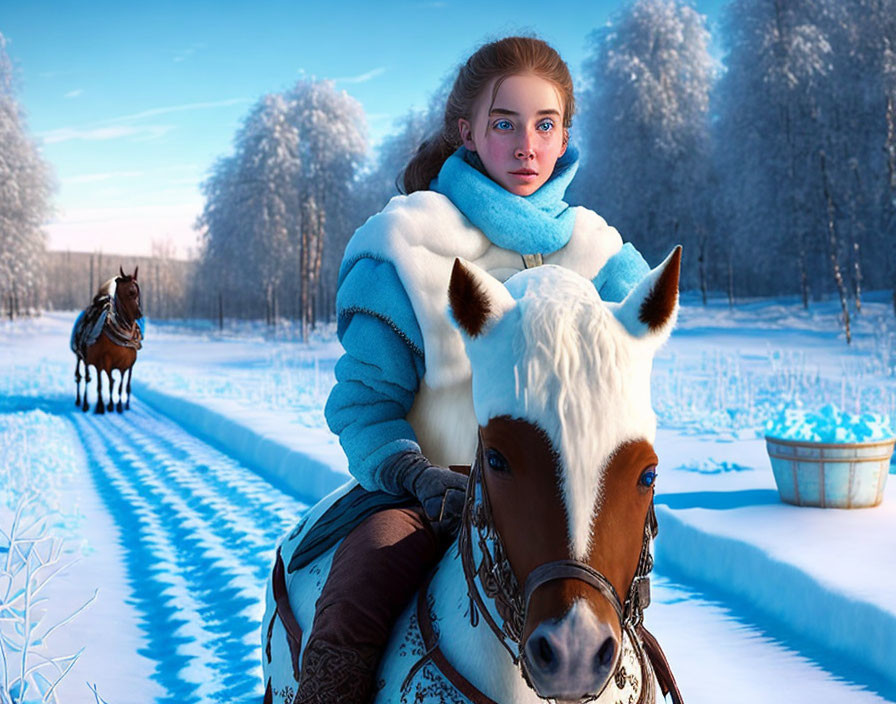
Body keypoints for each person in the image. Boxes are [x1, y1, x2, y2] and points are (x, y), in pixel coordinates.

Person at [296, 35, 650, 703]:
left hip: (559, 503)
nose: (527, 145)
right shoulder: (407, 247)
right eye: (504, 123)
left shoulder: (601, 257)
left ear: (565, 132)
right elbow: (363, 404)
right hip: (424, 496)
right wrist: (412, 473)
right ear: (467, 131)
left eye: (545, 124)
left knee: (633, 634)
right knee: (358, 596)